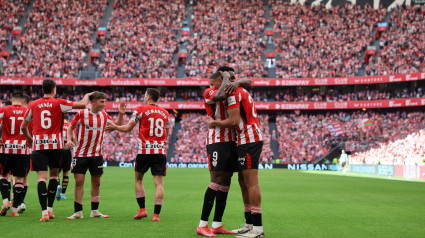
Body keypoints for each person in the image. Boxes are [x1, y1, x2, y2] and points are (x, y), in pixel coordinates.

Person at [21, 79, 94, 222]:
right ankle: (50, 209)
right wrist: (87, 95)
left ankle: (44, 213)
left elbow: (23, 126)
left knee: (41, 178)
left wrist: (29, 138)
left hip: (39, 146)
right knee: (54, 176)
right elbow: (83, 105)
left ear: (42, 90)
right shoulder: (59, 103)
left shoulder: (33, 104)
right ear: (54, 90)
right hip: (55, 146)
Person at [208, 69, 265, 238]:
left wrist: (214, 122)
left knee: (251, 182)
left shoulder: (234, 93)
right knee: (243, 181)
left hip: (249, 139)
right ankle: (249, 224)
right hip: (245, 139)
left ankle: (258, 229)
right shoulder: (242, 89)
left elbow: (233, 121)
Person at [197, 68, 252, 237]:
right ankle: (202, 224)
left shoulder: (230, 88)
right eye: (222, 80)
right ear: (214, 82)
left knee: (226, 182)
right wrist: (227, 80)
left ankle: (217, 225)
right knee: (216, 179)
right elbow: (219, 96)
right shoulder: (209, 91)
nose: (226, 83)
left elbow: (248, 82)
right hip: (216, 140)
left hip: (231, 141)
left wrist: (235, 81)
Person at [106, 88, 170, 222]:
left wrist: (115, 126)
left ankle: (142, 210)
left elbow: (127, 128)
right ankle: (156, 215)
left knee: (138, 179)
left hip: (144, 151)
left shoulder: (141, 109)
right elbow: (167, 133)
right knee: (159, 184)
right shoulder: (165, 113)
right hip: (159, 151)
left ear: (148, 98)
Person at [65, 92, 125, 220]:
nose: (104, 104)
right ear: (93, 102)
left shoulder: (104, 115)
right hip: (80, 154)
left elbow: (116, 126)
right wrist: (69, 140)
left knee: (96, 182)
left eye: (104, 101)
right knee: (79, 182)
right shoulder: (81, 114)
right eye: (101, 101)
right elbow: (69, 128)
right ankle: (78, 212)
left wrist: (121, 114)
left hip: (97, 155)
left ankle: (95, 210)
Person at [0, 93, 29, 217]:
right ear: (22, 101)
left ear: (12, 101)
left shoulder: (4, 109)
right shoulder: (27, 110)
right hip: (22, 148)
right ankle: (14, 210)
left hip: (6, 147)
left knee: (3, 174)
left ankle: (6, 201)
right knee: (19, 179)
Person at [56, 114, 77, 200]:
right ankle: (63, 194)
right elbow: (75, 141)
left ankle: (57, 186)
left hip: (57, 150)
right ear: (68, 120)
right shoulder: (71, 127)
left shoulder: (57, 126)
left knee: (56, 172)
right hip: (67, 151)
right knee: (66, 173)